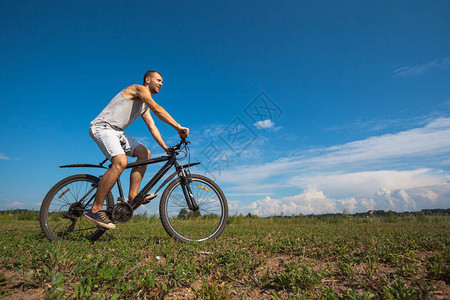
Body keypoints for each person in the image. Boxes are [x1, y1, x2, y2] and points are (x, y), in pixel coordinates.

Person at [84, 70, 189, 229]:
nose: (161, 84)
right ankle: (95, 209)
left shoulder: (143, 106)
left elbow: (152, 127)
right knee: (120, 162)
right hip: (103, 128)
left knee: (144, 153)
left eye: (162, 82)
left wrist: (165, 147)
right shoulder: (138, 89)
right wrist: (178, 127)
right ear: (148, 80)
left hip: (117, 132)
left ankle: (133, 195)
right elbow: (157, 109)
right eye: (158, 80)